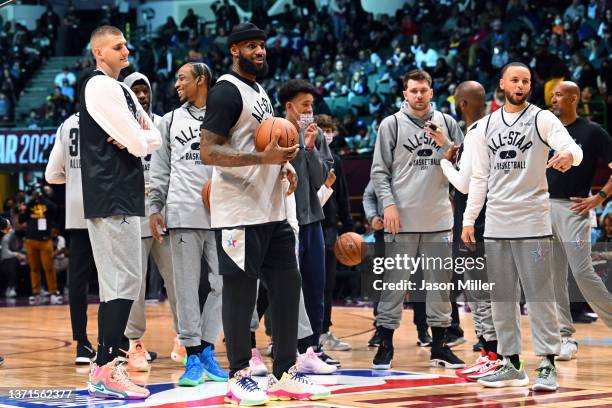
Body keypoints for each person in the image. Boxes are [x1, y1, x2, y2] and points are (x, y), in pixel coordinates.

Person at [200, 22, 329, 405]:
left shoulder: (259, 93)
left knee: (288, 289)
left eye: (262, 46)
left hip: (271, 211)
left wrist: (283, 167)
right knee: (240, 295)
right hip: (238, 213)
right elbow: (209, 152)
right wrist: (263, 158)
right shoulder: (225, 91)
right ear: (235, 50)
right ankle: (238, 375)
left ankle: (285, 374)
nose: (261, 51)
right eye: (252, 46)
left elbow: (269, 146)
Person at [462, 62, 583, 391]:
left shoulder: (542, 118)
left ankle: (547, 364)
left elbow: (572, 146)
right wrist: (469, 219)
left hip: (533, 221)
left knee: (540, 297)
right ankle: (511, 363)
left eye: (526, 80)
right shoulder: (485, 126)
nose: (520, 85)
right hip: (497, 224)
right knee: (502, 299)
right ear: (502, 83)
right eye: (514, 79)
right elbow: (479, 178)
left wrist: (569, 156)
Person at [80, 25, 161, 399]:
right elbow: (138, 141)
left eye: (126, 45)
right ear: (99, 53)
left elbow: (153, 136)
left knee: (123, 283)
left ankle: (104, 367)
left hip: (123, 196)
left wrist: (137, 139)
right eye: (117, 46)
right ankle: (108, 366)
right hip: (111, 195)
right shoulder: (100, 87)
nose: (125, 50)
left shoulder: (124, 88)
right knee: (123, 282)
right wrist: (136, 140)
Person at [370, 69, 465, 371]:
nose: (419, 95)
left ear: (432, 91)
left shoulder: (448, 123)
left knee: (440, 288)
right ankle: (385, 343)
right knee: (394, 285)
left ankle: (439, 346)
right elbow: (379, 172)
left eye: (424, 90)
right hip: (402, 218)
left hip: (439, 218)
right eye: (413, 90)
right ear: (405, 94)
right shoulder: (391, 125)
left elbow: (464, 166)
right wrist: (388, 205)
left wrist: (445, 143)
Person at [149, 62, 228, 385]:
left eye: (183, 78)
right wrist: (156, 206)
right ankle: (192, 355)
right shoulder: (169, 121)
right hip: (182, 211)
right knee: (185, 289)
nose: (177, 83)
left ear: (201, 80)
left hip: (223, 212)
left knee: (225, 283)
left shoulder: (225, 114)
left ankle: (207, 347)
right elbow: (160, 169)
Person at [439, 81, 502, 382]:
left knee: (480, 293)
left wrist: (443, 164)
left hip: (475, 225)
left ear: (462, 104)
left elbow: (466, 184)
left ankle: (493, 355)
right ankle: (488, 354)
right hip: (486, 221)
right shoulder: (485, 131)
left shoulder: (477, 133)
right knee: (480, 293)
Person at [547, 81, 612, 361]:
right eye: (552, 95)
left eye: (559, 95)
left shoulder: (593, 132)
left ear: (574, 98)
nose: (554, 99)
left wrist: (599, 198)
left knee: (582, 272)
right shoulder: (547, 130)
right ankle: (564, 337)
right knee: (553, 276)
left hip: (575, 209)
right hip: (544, 208)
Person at [278, 79, 338, 371]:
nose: (310, 110)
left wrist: (311, 147)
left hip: (312, 220)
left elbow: (322, 179)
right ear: (289, 106)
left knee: (315, 288)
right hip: (282, 223)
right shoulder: (272, 130)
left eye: (312, 105)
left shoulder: (316, 136)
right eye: (305, 105)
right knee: (280, 291)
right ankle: (281, 346)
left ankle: (311, 350)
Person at [122, 71, 175, 372]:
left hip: (164, 215)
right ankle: (134, 344)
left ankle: (185, 339)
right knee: (136, 287)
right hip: (132, 216)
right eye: (136, 91)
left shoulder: (164, 124)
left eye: (145, 90)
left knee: (178, 283)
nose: (142, 96)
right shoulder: (119, 127)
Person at [45, 113, 98, 365]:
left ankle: (82, 344)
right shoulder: (107, 112)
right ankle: (118, 343)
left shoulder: (65, 124)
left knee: (77, 283)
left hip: (77, 212)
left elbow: (51, 174)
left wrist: (75, 179)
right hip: (106, 207)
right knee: (114, 279)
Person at [315, 114, 354, 353]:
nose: (328, 134)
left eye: (331, 129)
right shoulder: (303, 155)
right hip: (308, 224)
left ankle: (324, 331)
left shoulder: (336, 160)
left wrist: (348, 227)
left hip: (329, 228)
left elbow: (343, 196)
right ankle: (279, 334)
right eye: (324, 129)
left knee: (327, 284)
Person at [18, 187, 61, 305]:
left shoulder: (48, 204)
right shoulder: (30, 205)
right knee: (34, 268)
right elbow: (22, 220)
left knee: (49, 268)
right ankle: (36, 293)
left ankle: (53, 293)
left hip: (45, 240)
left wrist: (42, 198)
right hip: (31, 240)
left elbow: (54, 209)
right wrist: (31, 201)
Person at [1, 217, 25, 299]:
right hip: (6, 261)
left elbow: (24, 250)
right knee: (13, 261)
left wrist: (24, 256)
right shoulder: (7, 236)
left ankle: (37, 289)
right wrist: (16, 255)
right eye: (20, 225)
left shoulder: (25, 236)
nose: (23, 226)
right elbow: (5, 253)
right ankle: (10, 288)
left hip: (21, 260)